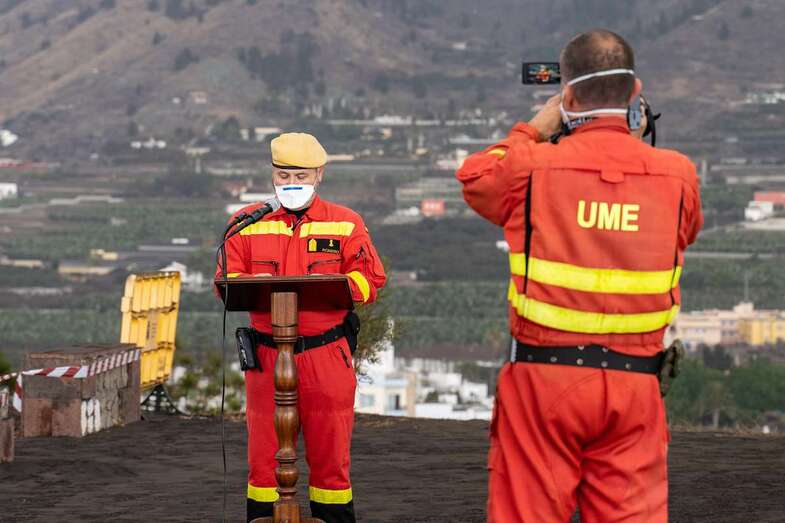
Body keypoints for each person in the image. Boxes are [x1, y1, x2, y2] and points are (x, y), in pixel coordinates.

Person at [456, 29, 703, 522]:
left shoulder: (531, 166)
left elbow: (477, 178)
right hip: (636, 386)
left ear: (567, 98)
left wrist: (532, 129)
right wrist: (629, 151)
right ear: (635, 94)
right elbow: (684, 229)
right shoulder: (678, 175)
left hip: (542, 379)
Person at [216, 132, 387, 523]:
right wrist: (251, 285)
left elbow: (370, 278)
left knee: (331, 457)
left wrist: (339, 288)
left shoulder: (345, 223)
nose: (291, 183)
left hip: (326, 355)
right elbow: (225, 280)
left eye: (301, 176)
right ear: (272, 174)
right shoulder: (245, 224)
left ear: (319, 174)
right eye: (284, 175)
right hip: (266, 356)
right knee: (263, 459)